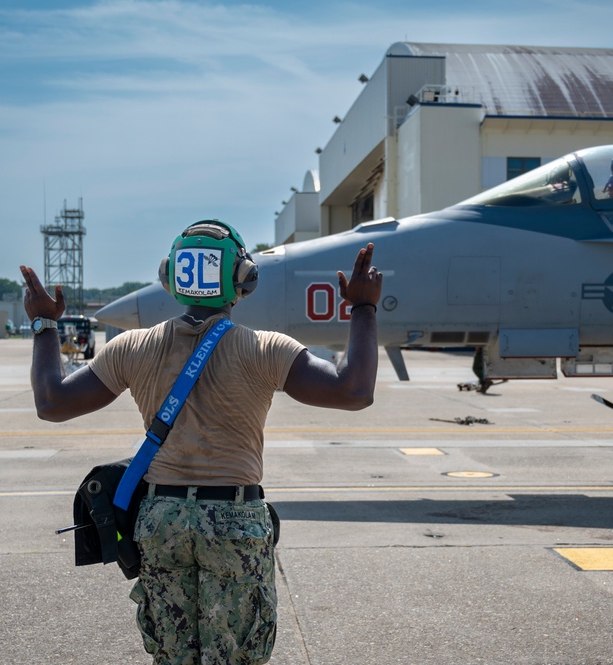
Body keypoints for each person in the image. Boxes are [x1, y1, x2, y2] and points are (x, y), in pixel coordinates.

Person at [20, 219, 382, 665]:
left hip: (161, 523)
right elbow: (354, 391)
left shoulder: (132, 347)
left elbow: (52, 402)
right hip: (233, 520)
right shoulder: (266, 349)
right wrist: (362, 309)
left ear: (171, 278)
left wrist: (43, 324)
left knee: (172, 656)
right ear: (243, 280)